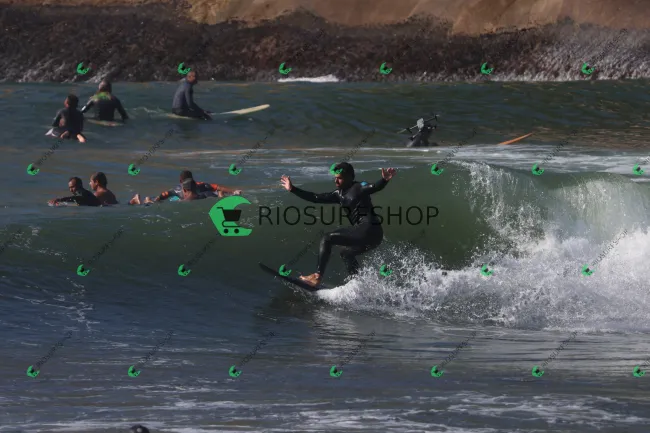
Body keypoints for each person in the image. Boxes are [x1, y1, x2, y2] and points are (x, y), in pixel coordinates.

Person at [280, 162, 397, 287]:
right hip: (372, 236)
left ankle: (317, 276)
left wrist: (384, 180)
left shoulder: (359, 187)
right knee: (346, 253)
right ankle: (358, 284)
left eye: (339, 178)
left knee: (327, 238)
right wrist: (293, 189)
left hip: (370, 230)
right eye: (335, 178)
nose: (336, 180)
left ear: (349, 177)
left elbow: (374, 187)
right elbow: (315, 197)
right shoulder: (338, 194)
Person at [128, 170, 242, 205]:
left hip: (179, 198)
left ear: (180, 181)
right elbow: (218, 187)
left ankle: (143, 200)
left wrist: (155, 200)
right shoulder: (201, 185)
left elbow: (162, 195)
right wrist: (233, 191)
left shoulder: (176, 189)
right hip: (196, 197)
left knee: (154, 200)